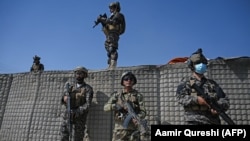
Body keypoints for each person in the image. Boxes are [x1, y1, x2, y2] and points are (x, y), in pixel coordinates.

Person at [176, 48, 230, 125]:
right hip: (194, 121)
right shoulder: (186, 83)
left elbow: (225, 100)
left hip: (213, 121)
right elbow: (180, 98)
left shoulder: (212, 84)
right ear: (192, 65)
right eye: (198, 63)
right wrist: (196, 99)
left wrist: (218, 107)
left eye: (203, 63)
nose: (201, 65)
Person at [104, 72, 149, 141]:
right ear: (122, 81)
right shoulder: (117, 95)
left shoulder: (138, 95)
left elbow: (143, 112)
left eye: (131, 79)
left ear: (133, 81)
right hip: (119, 129)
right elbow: (105, 107)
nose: (129, 80)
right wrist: (116, 106)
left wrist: (137, 117)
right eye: (126, 79)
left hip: (134, 130)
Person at [60, 66, 93, 141]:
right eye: (77, 73)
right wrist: (64, 99)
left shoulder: (88, 89)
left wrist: (76, 112)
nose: (78, 75)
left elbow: (87, 105)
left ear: (84, 75)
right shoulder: (70, 87)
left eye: (81, 73)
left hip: (78, 120)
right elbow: (63, 98)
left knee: (76, 139)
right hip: (67, 117)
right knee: (63, 137)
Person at [95, 1, 126, 69]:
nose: (110, 10)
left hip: (114, 34)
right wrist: (101, 22)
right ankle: (110, 64)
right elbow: (107, 25)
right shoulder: (111, 16)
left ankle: (113, 65)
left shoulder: (118, 15)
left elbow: (113, 22)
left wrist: (103, 19)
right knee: (108, 49)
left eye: (111, 8)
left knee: (112, 49)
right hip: (109, 34)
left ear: (115, 8)